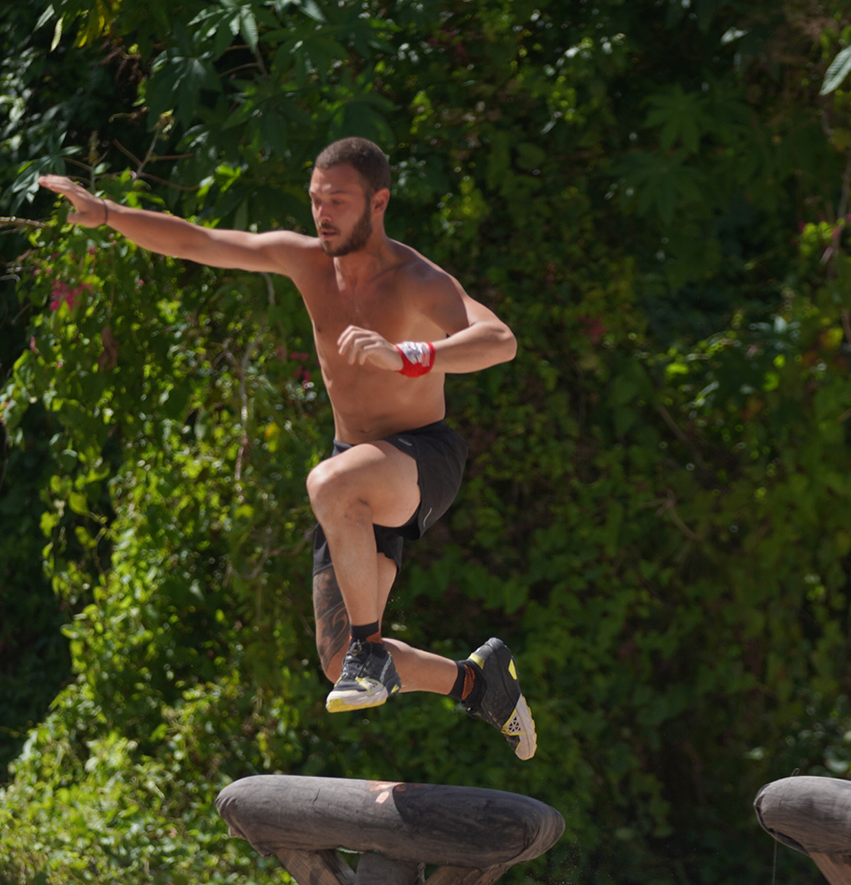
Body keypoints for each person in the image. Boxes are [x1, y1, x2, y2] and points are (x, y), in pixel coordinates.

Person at [38, 137, 536, 759]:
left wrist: (410, 355)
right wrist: (109, 214)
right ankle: (477, 682)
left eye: (338, 201)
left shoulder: (416, 280)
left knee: (330, 485)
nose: (322, 215)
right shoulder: (306, 262)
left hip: (421, 456)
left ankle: (370, 653)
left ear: (379, 203)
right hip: (356, 470)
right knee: (337, 659)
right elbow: (199, 241)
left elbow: (500, 340)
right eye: (315, 200)